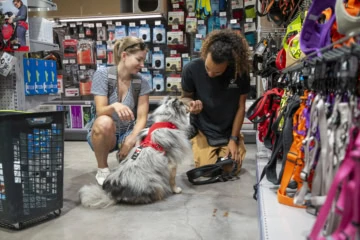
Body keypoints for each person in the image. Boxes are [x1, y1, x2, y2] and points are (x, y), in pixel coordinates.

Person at [181, 29, 250, 173]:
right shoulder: (191, 69)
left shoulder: (240, 72)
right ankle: (199, 144)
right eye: (207, 68)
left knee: (231, 168)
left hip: (229, 130)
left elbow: (240, 107)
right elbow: (185, 97)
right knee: (207, 170)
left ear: (229, 64)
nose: (210, 74)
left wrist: (233, 138)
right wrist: (191, 105)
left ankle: (236, 141)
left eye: (217, 72)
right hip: (203, 129)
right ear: (206, 55)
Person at [88, 36, 151, 185]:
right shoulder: (103, 75)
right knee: (104, 122)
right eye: (138, 60)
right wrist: (114, 106)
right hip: (105, 133)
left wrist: (132, 139)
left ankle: (128, 167)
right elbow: (100, 111)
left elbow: (142, 118)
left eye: (143, 60)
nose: (142, 65)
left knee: (145, 137)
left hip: (128, 131)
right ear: (124, 56)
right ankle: (103, 169)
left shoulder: (141, 82)